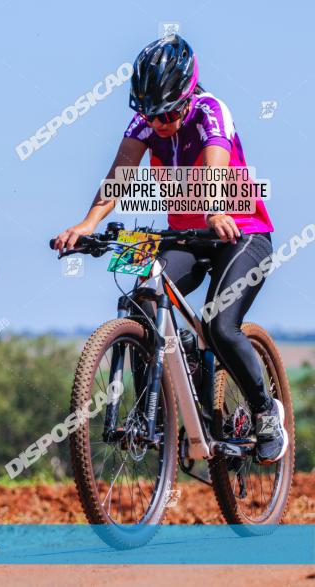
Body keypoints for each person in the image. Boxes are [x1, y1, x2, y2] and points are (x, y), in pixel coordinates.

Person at [52, 35, 287, 464]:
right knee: (141, 299)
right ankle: (155, 411)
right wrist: (87, 225)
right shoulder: (146, 123)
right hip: (186, 238)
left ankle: (265, 412)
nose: (159, 123)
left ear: (188, 93)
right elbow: (121, 172)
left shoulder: (210, 111)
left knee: (219, 323)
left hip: (241, 232)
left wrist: (215, 208)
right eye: (150, 113)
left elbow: (215, 161)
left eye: (168, 112)